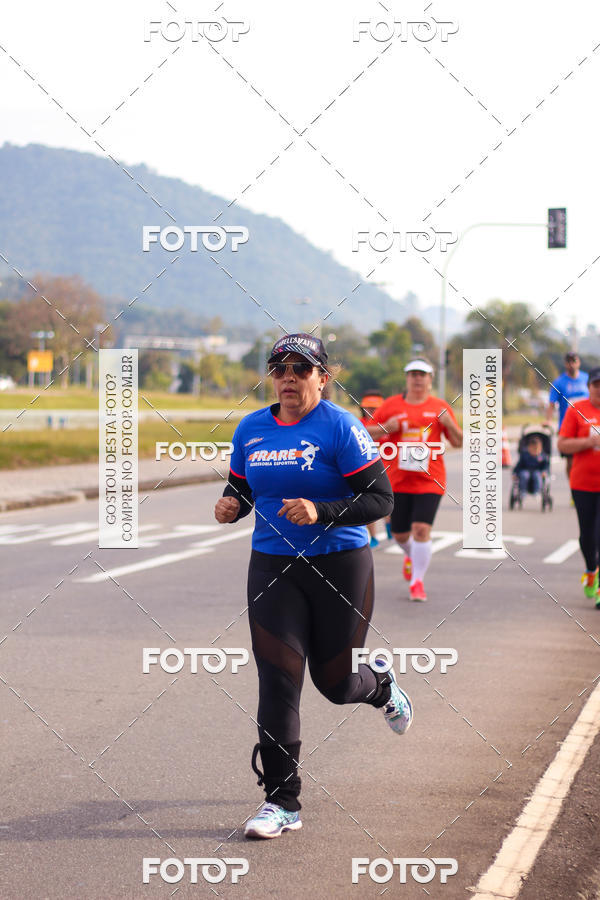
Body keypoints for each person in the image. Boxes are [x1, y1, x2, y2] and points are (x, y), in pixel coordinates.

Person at [214, 333, 413, 840]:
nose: (288, 378)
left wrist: (321, 511)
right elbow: (241, 487)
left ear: (323, 377)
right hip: (273, 567)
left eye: (301, 369)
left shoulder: (340, 427)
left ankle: (382, 686)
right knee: (277, 678)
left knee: (336, 684)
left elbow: (381, 500)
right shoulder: (252, 428)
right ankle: (282, 801)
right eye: (279, 369)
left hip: (340, 565)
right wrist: (231, 506)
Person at [365, 359, 463, 602]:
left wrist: (449, 424)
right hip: (396, 480)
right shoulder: (390, 406)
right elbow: (364, 433)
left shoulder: (440, 407)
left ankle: (417, 581)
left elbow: (459, 442)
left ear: (430, 380)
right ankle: (412, 555)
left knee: (421, 530)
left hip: (430, 480)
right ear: (407, 378)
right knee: (399, 534)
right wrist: (385, 428)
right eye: (413, 374)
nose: (417, 378)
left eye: (422, 374)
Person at [557, 366, 600, 609]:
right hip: (582, 483)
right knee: (588, 536)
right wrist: (588, 442)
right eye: (596, 384)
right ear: (589, 386)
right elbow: (562, 445)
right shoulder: (577, 410)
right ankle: (591, 570)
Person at [356, 390, 393, 547]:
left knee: (388, 503)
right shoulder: (358, 424)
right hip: (366, 470)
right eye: (368, 408)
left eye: (375, 408)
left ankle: (390, 526)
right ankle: (374, 537)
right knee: (368, 503)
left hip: (388, 469)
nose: (372, 411)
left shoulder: (388, 422)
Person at [546, 352, 589, 477]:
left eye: (574, 361)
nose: (571, 364)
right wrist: (548, 421)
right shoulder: (559, 382)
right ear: (565, 364)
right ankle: (573, 487)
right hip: (568, 427)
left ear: (579, 362)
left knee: (586, 459)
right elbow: (551, 405)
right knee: (570, 461)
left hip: (586, 425)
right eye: (568, 362)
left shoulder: (587, 379)